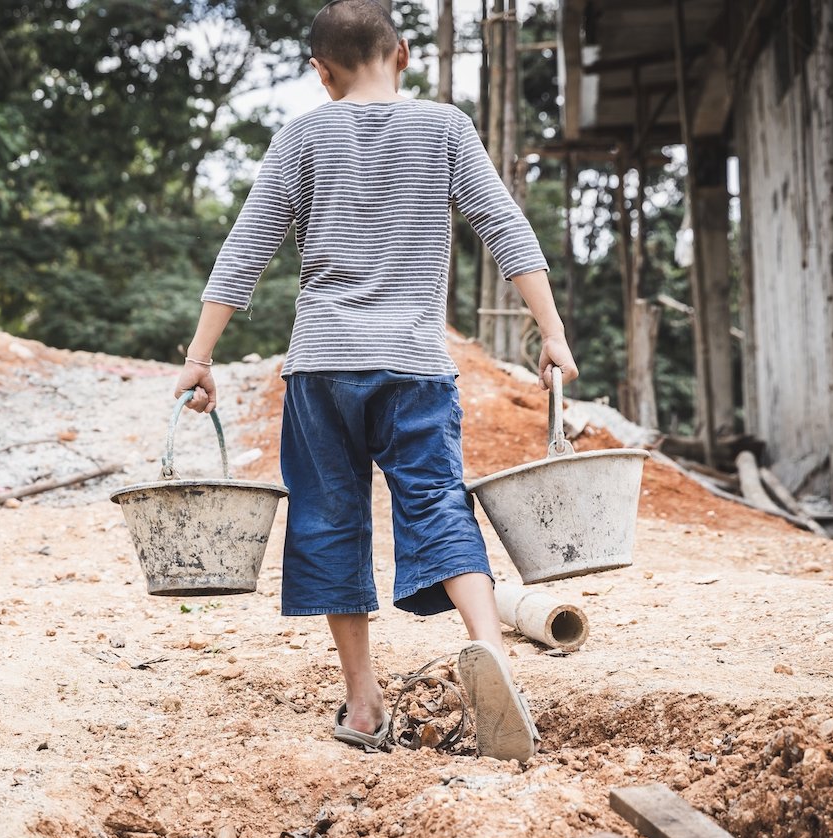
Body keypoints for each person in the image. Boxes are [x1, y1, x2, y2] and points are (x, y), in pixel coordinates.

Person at [171, 0, 577, 763]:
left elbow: (245, 250)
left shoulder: (303, 134)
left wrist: (200, 357)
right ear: (405, 54)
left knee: (328, 517)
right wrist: (550, 333)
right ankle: (490, 651)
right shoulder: (446, 128)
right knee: (436, 501)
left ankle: (363, 702)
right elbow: (504, 225)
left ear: (320, 73)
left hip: (322, 365)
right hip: (415, 362)